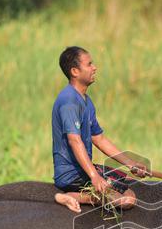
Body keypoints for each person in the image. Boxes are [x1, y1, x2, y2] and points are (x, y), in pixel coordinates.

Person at [51, 46, 150, 213]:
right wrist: (94, 176)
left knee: (128, 187)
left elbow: (99, 139)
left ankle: (85, 189)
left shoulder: (86, 101)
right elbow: (74, 141)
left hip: (83, 169)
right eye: (89, 64)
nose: (94, 67)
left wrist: (131, 163)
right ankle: (73, 196)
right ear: (75, 71)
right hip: (71, 174)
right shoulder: (69, 102)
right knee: (127, 200)